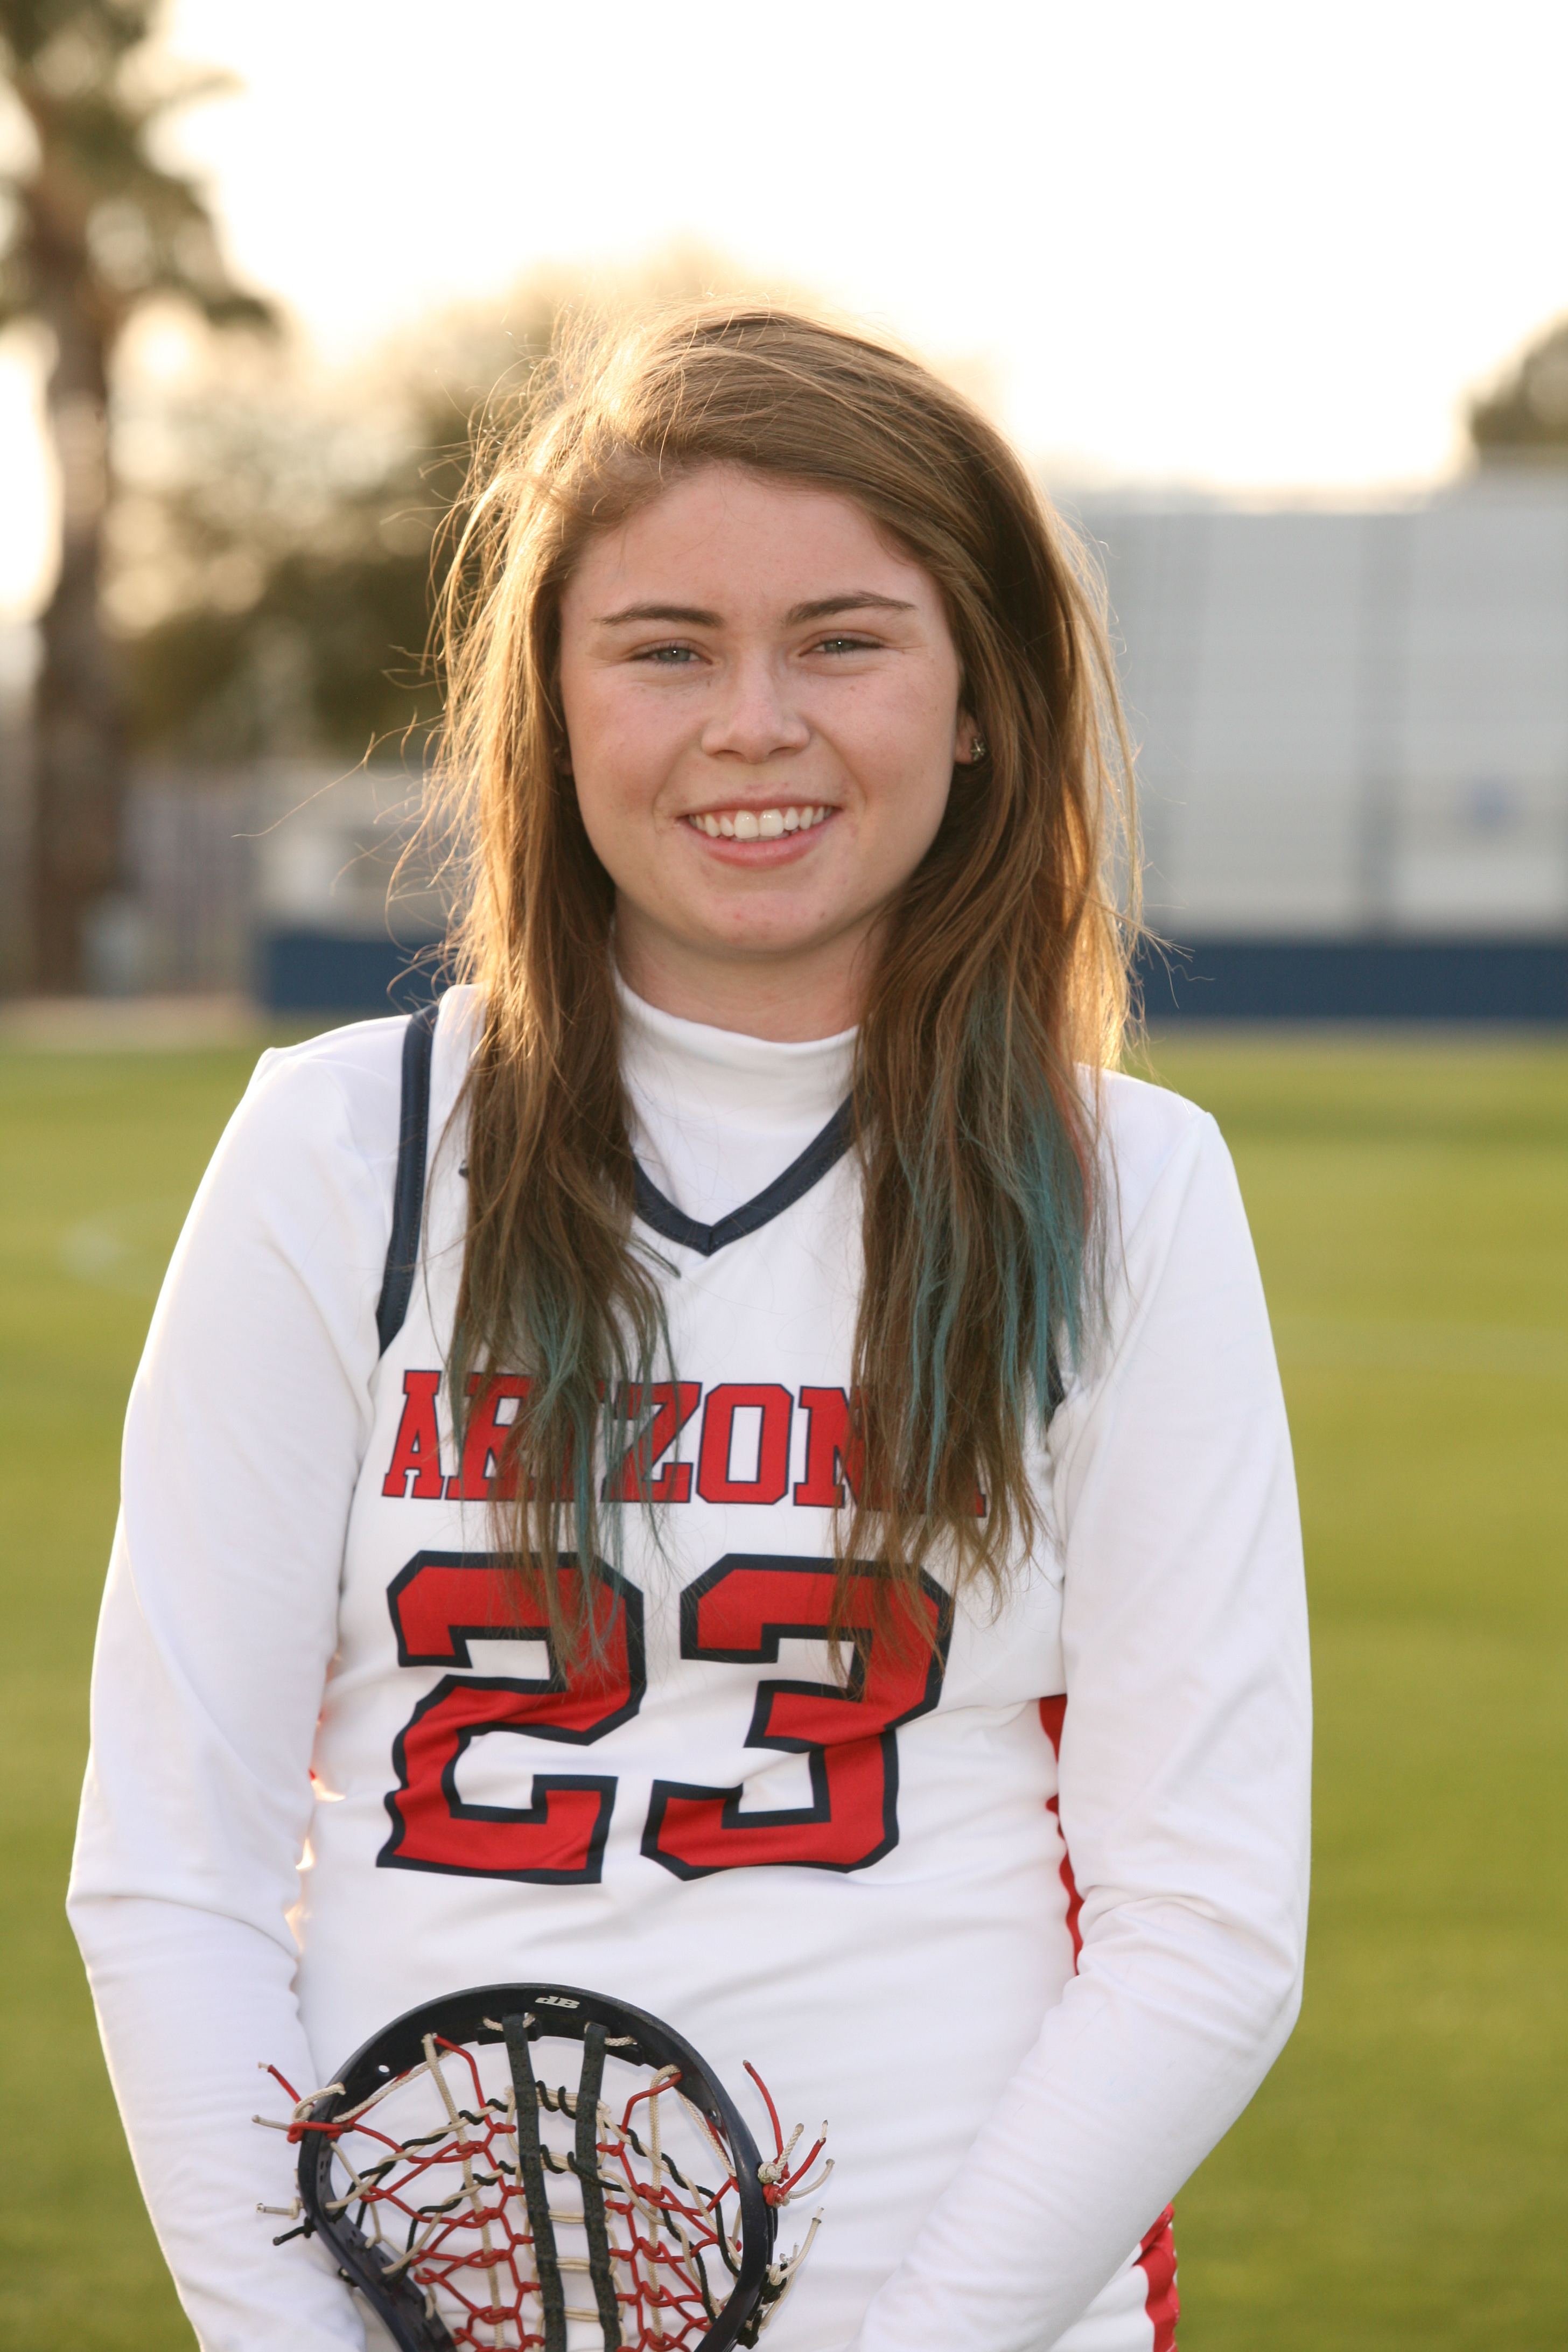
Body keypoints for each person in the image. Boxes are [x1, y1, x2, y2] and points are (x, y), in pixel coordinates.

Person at [68, 305, 1310, 2352]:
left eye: (843, 638)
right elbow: (173, 1872)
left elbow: (1203, 1927)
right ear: (552, 708)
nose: (754, 722)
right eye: (665, 647)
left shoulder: (1123, 1186)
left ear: (982, 701)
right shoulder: (344, 1153)